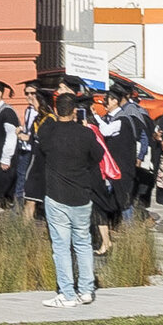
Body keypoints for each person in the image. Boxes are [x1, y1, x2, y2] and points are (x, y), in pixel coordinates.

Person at [28, 81, 107, 305]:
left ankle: (67, 293)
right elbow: (98, 156)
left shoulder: (48, 133)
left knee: (61, 246)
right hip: (81, 195)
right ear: (74, 111)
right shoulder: (85, 134)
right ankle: (86, 290)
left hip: (57, 196)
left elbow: (40, 151)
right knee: (83, 242)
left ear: (56, 110)